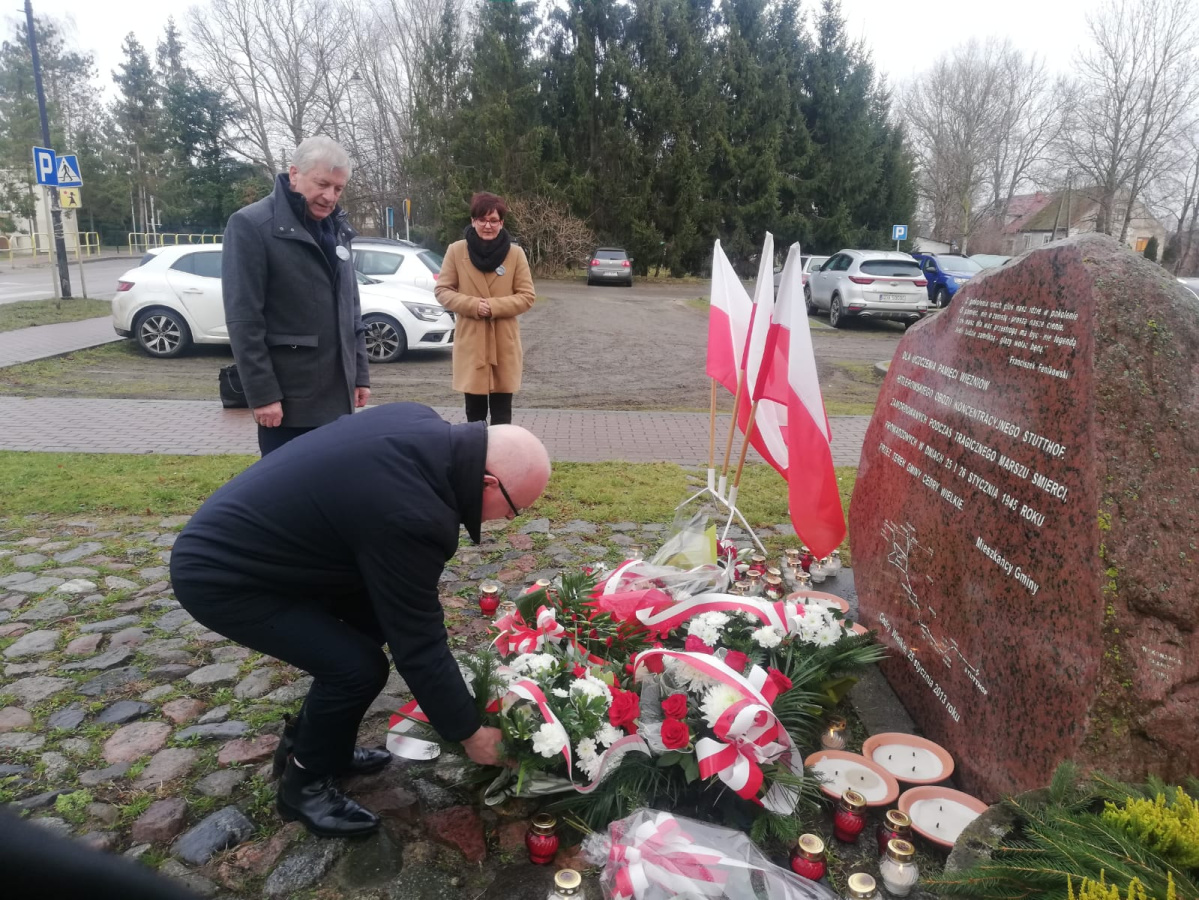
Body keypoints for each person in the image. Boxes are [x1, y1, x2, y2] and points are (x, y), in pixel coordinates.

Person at [169, 403, 552, 837]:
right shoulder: (413, 513)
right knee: (356, 668)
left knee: (366, 626)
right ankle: (303, 786)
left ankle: (315, 744)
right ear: (487, 482)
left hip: (290, 551)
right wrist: (470, 733)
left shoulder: (419, 421)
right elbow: (419, 643)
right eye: (513, 510)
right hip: (224, 576)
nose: (507, 520)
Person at [222, 135, 371, 456]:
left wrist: (359, 374)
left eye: (338, 188)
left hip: (338, 396)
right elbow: (244, 320)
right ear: (294, 174)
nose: (330, 197)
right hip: (289, 401)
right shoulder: (251, 225)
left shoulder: (338, 229)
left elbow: (351, 307)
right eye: (322, 184)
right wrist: (263, 394)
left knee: (334, 483)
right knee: (287, 485)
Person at [435, 192, 535, 425]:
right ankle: (476, 448)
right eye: (482, 219)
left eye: (493, 220)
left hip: (503, 343)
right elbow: (443, 290)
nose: (487, 226)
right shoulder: (456, 251)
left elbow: (527, 296)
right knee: (474, 414)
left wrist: (492, 307)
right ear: (473, 221)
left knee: (502, 415)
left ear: (501, 223)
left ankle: (501, 449)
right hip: (472, 342)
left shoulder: (515, 254)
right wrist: (472, 305)